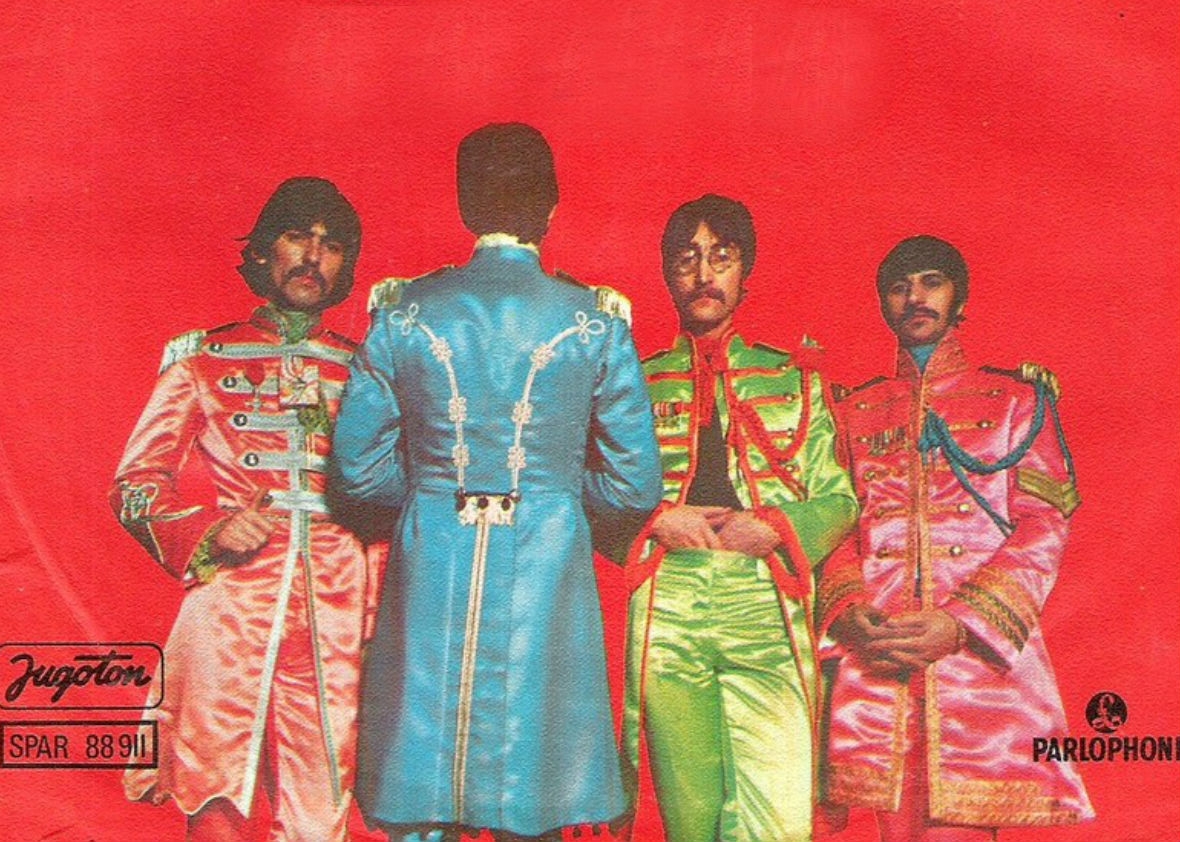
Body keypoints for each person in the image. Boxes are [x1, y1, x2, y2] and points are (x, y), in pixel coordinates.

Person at [332, 122, 663, 842]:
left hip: (432, 553)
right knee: (535, 788)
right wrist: (556, 498)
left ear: (464, 205)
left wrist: (431, 493)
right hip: (548, 558)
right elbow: (635, 485)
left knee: (425, 789)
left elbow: (357, 473)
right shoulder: (596, 320)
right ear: (551, 207)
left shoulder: (403, 312)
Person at [112, 177, 378, 842]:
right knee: (213, 789)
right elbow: (135, 484)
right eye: (297, 236)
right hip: (231, 605)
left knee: (322, 809)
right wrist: (211, 529)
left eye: (331, 245)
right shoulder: (203, 358)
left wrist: (374, 606)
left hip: (335, 613)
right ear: (263, 250)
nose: (312, 257)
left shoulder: (367, 370)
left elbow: (386, 501)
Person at [817, 235, 1094, 840]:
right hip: (880, 652)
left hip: (974, 658)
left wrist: (961, 622)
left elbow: (1044, 523)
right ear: (884, 304)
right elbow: (834, 525)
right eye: (899, 287)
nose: (915, 297)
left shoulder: (1018, 400)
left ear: (959, 298)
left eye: (931, 282)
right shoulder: (850, 412)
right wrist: (848, 610)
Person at [620, 194, 858, 842]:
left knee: (777, 817)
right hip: (668, 594)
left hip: (763, 592)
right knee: (687, 813)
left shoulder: (794, 377)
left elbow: (838, 498)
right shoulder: (633, 382)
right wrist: (658, 520)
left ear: (743, 269)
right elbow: (593, 492)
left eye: (720, 257)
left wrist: (776, 527)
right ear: (668, 275)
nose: (704, 275)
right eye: (687, 260)